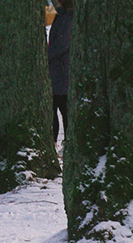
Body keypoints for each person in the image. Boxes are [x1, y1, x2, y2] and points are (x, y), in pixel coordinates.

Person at [48, 0, 74, 144]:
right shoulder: (61, 16)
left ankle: (67, 142)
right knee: (54, 109)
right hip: (57, 71)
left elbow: (63, 44)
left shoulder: (68, 17)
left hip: (62, 72)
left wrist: (46, 55)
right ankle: (54, 141)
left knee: (64, 109)